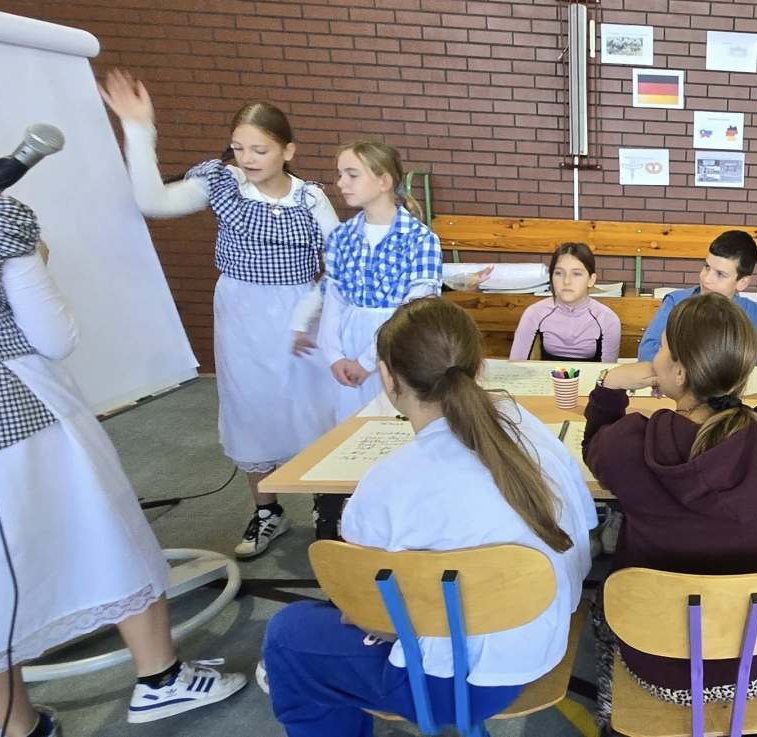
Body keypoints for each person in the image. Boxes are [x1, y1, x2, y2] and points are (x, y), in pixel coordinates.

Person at [0, 46, 242, 737]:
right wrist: (40, 265)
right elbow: (54, 337)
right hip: (12, 423)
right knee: (104, 537)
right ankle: (160, 679)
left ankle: (22, 728)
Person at [260, 298, 595, 737]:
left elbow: (367, 613)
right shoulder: (525, 424)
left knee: (287, 637)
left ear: (387, 377)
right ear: (480, 368)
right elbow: (584, 529)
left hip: (453, 684)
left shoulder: (386, 483)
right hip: (540, 645)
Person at [100, 69, 338, 557]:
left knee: (310, 405)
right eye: (239, 147)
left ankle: (324, 503)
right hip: (242, 310)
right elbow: (152, 201)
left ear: (288, 151)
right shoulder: (223, 183)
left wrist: (318, 308)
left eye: (260, 149)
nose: (247, 158)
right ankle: (267, 510)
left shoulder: (311, 197)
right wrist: (139, 129)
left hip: (300, 309)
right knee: (249, 404)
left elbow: (338, 260)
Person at [583, 293, 757, 724]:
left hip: (656, 665)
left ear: (680, 372)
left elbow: (593, 448)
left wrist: (610, 385)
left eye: (662, 347)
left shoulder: (630, 445)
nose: (655, 356)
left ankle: (610, 712)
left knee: (601, 605)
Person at [315, 141, 456, 424]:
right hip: (348, 347)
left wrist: (366, 362)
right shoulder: (341, 237)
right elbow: (334, 300)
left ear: (384, 181)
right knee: (350, 424)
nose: (341, 183)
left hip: (398, 345)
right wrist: (334, 356)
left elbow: (413, 310)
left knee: (395, 422)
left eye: (352, 175)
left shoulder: (420, 238)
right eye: (340, 174)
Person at [636, 230, 757, 381]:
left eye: (720, 274)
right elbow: (647, 351)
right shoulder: (676, 302)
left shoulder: (752, 314)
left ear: (742, 282)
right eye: (706, 267)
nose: (706, 279)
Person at [508, 242, 621, 362]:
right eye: (559, 273)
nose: (566, 281)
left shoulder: (608, 319)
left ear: (591, 280)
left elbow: (609, 370)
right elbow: (516, 364)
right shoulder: (534, 313)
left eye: (576, 274)